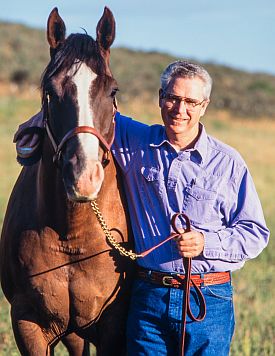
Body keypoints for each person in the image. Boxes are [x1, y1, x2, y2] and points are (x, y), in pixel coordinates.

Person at [14, 60, 269, 355]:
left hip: (208, 299)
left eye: (190, 101)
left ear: (204, 106)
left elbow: (255, 233)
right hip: (149, 297)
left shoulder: (228, 163)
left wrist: (205, 243)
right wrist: (38, 119)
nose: (179, 109)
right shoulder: (135, 141)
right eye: (172, 98)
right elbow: (87, 107)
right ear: (160, 98)